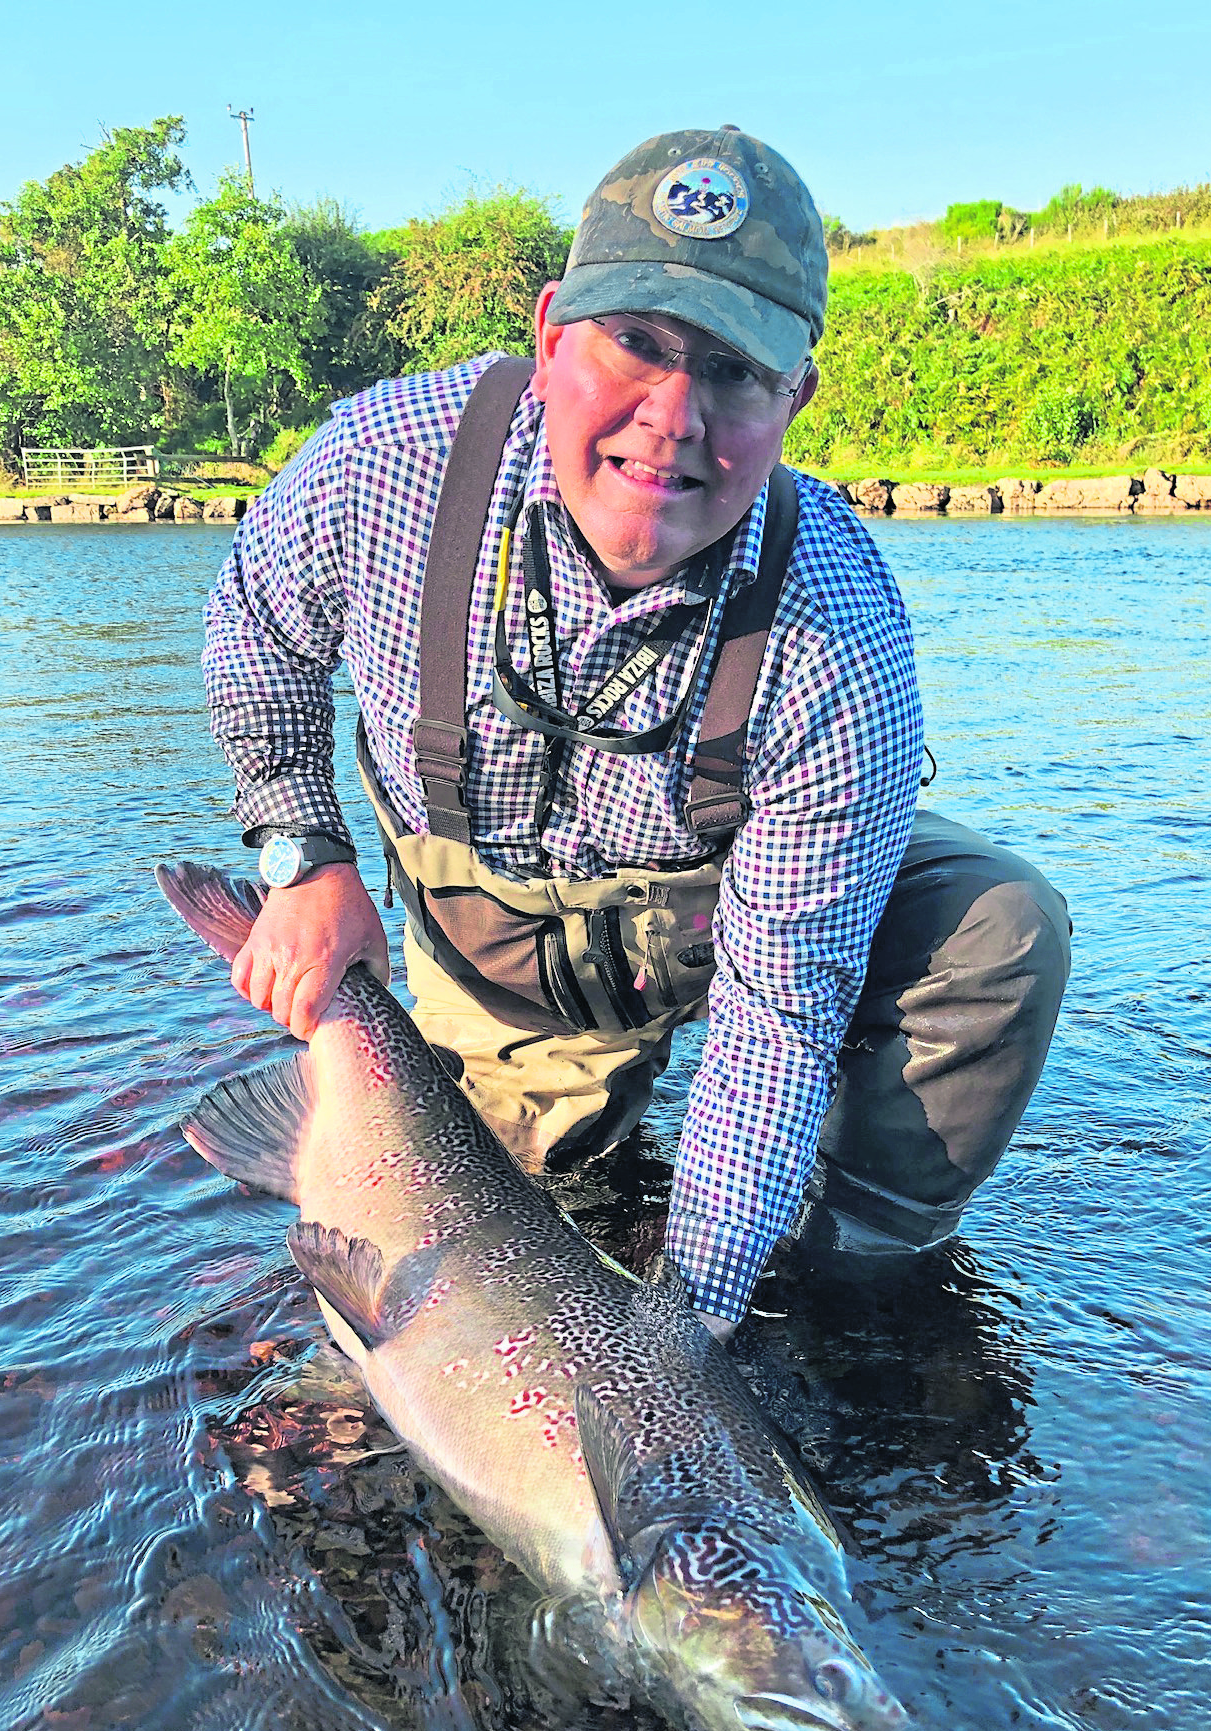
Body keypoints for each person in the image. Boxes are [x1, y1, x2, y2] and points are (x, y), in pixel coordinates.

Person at [201, 125, 1071, 1343]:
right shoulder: (379, 467)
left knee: (998, 930)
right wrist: (303, 853)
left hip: (733, 930)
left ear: (794, 399)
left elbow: (778, 1011)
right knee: (462, 1274)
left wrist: (692, 1336)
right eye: (640, 345)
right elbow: (257, 624)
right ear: (553, 335)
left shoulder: (839, 627)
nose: (673, 414)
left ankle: (836, 1296)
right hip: (492, 963)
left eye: (733, 372)